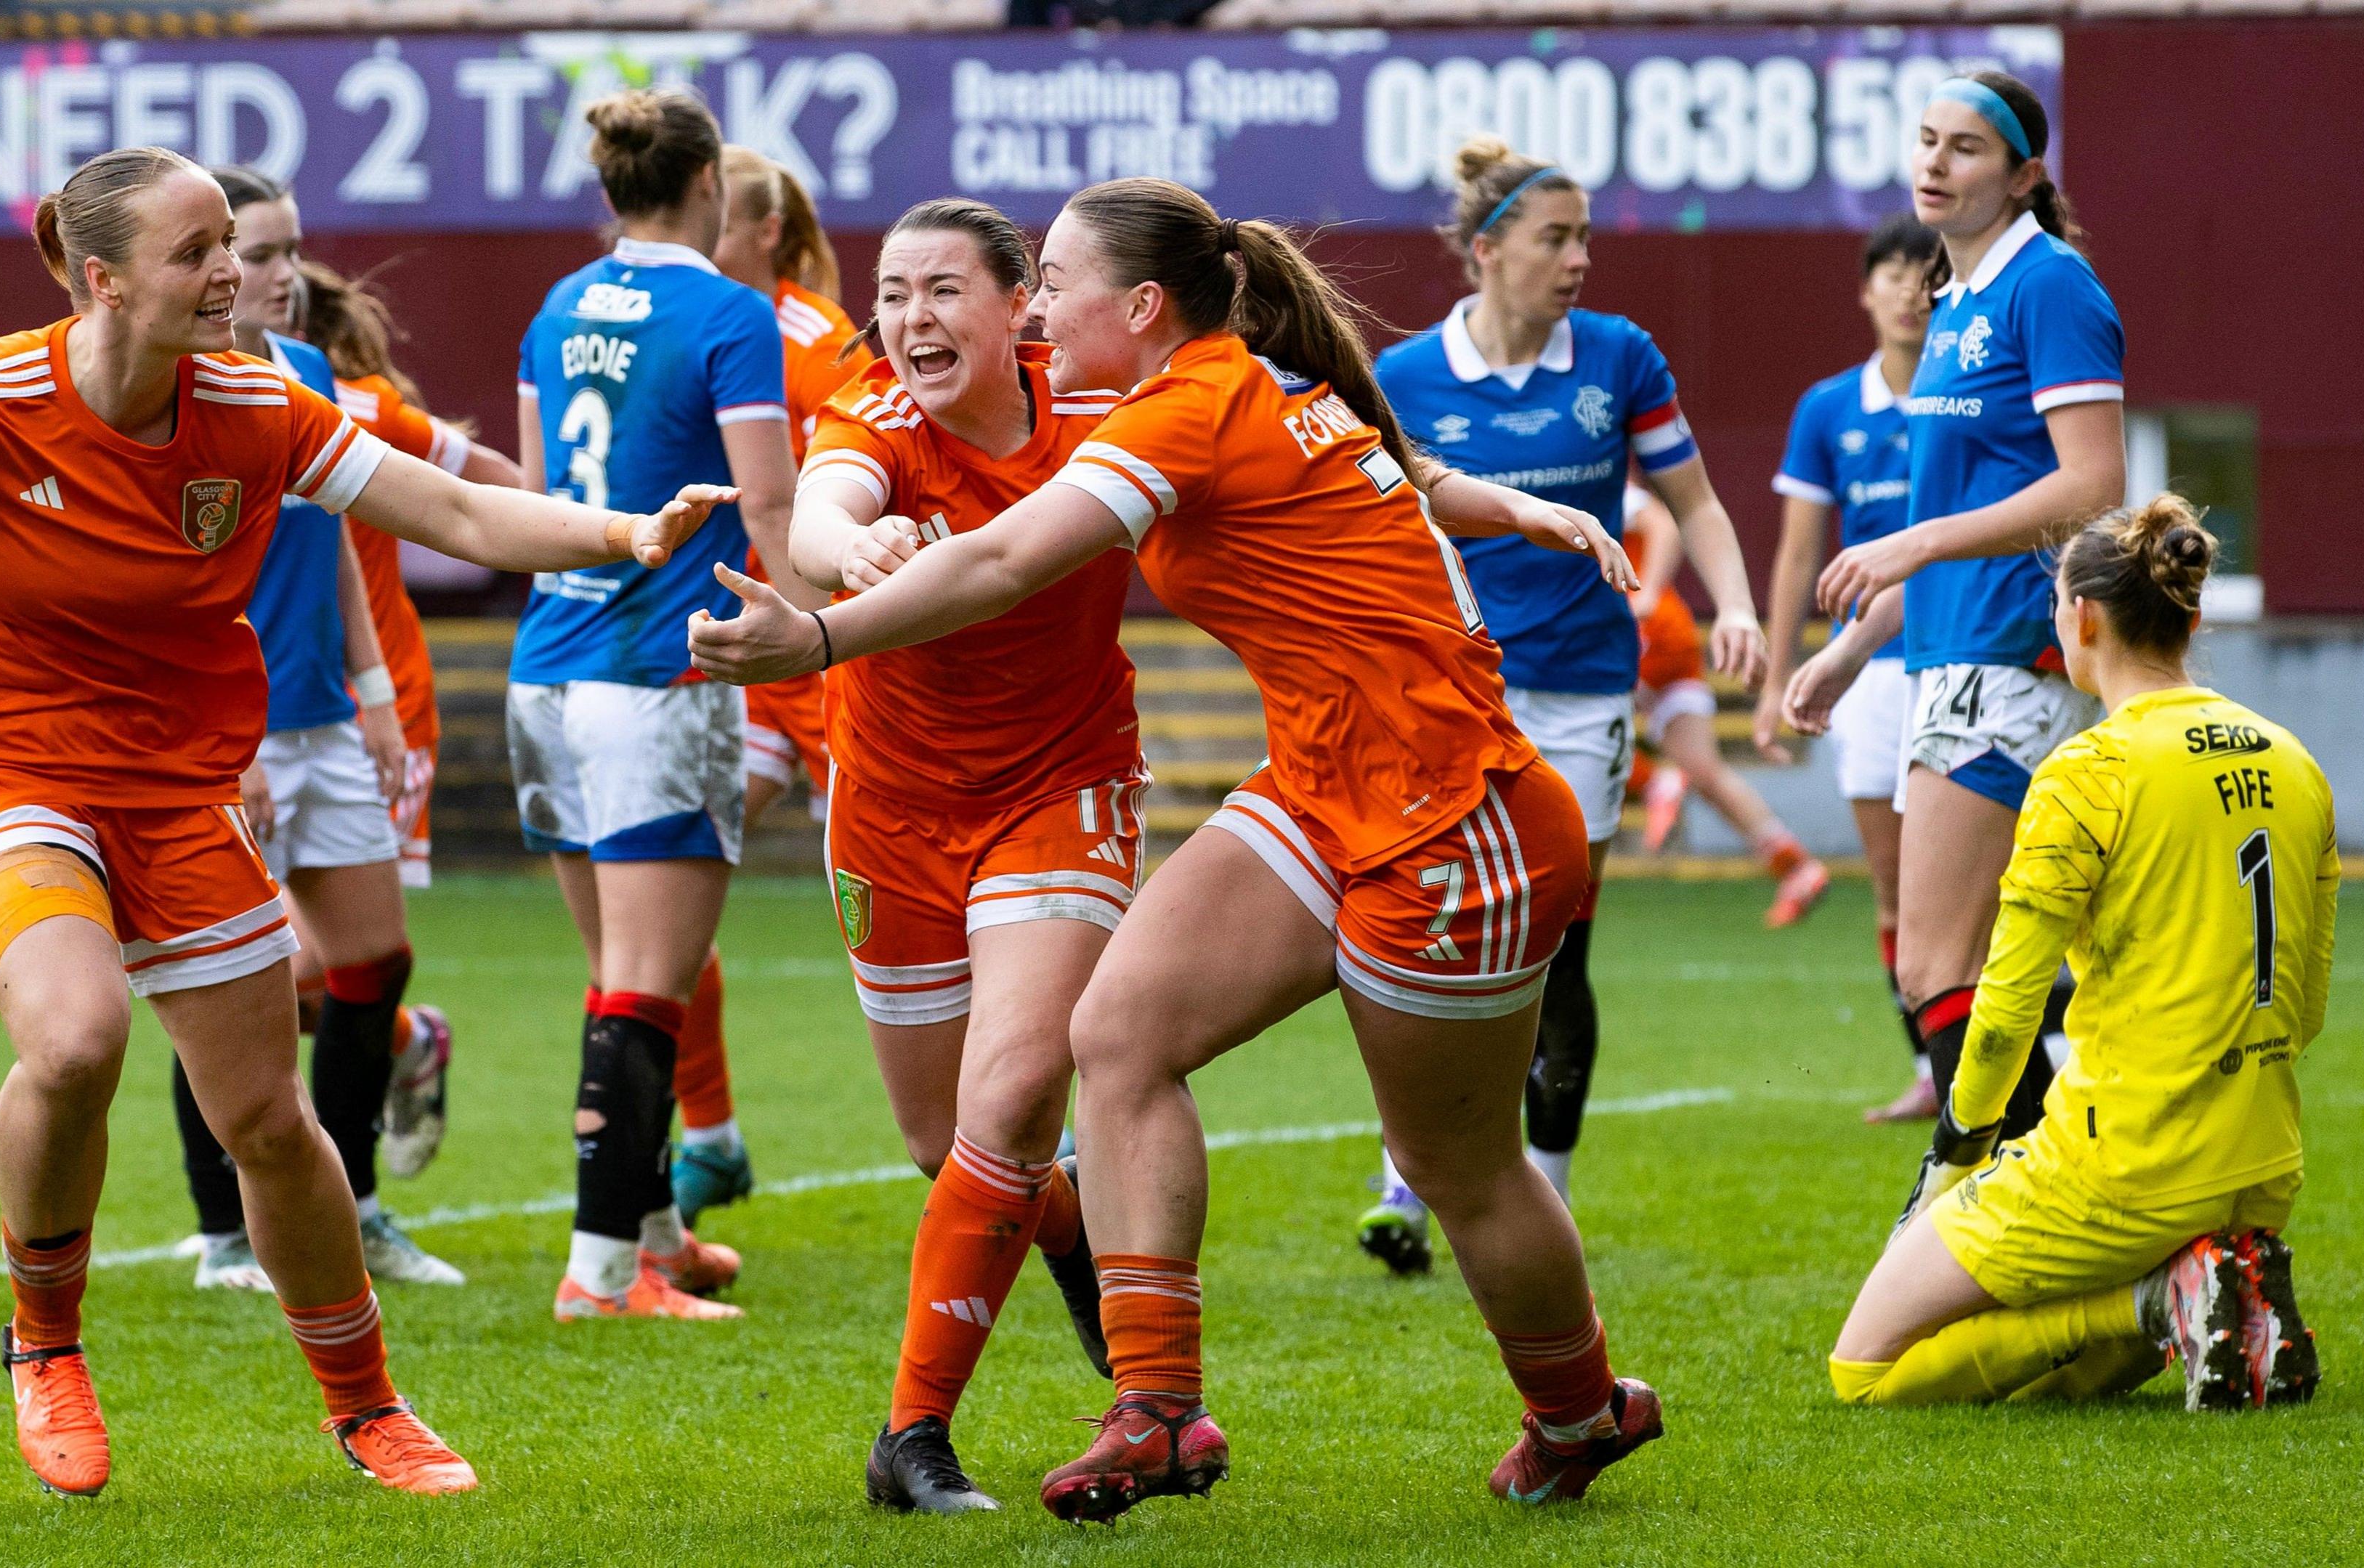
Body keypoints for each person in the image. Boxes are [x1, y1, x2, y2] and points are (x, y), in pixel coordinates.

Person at [0, 146, 729, 1495]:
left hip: (178, 782)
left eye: (239, 252)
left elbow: (459, 506)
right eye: (202, 253)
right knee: (78, 1036)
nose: (243, 278)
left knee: (264, 1112)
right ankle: (46, 1339)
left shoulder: (257, 403)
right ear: (102, 279)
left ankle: (367, 1403)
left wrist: (626, 536)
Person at [692, 176, 1665, 1522]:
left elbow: (1005, 559)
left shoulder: (1188, 404)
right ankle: (1152, 1404)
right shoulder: (1208, 381)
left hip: (1454, 819)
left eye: (1052, 285)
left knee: (1457, 1166)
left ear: (1138, 307)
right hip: (1326, 789)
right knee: (1121, 1031)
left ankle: (1580, 1408)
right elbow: (1394, 479)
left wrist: (811, 637)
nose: (1033, 309)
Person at [1356, 134, 1768, 1269]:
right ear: (1487, 252)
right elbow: (1381, 537)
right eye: (1557, 236)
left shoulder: (1620, 358)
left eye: (1586, 235)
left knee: (1554, 950)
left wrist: (1734, 604)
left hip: (1588, 691)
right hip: (1452, 686)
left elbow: (1700, 500)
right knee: (1431, 929)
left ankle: (1546, 1195)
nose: (1580, 257)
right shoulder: (1407, 380)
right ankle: (1406, 1178)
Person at [780, 198, 1133, 1512]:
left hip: (1063, 783)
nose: (912, 320)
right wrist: (848, 548)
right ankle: (1087, 1238)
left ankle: (910, 1436)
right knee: (950, 1141)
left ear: (1019, 301)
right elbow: (823, 512)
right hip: (890, 805)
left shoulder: (1104, 406)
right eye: (892, 292)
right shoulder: (874, 414)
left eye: (942, 292)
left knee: (1013, 1090)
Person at [1829, 496, 2333, 1410]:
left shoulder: (2086, 771)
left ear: (2083, 617)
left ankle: (2155, 1292)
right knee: (2066, 1383)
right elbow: (2306, 1008)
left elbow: (2006, 1007)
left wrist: (1958, 1147)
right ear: (2188, 615)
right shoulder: (2294, 761)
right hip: (2263, 1160)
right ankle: (2197, 1285)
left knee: (1863, 1370)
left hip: (2126, 1165)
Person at [1784, 70, 2126, 1142]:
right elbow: (1951, 516)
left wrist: (1915, 542)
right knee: (1975, 962)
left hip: (2011, 653)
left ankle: (1992, 1196)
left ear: (2025, 174)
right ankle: (2031, 1190)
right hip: (1945, 650)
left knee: (1935, 962)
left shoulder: (2049, 285)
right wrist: (1853, 649)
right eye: (1926, 141)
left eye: (1965, 147)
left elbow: (2093, 485)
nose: (1934, 163)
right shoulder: (1957, 299)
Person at [512, 89, 803, 1321]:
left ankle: (654, 1228)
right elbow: (775, 514)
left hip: (546, 665)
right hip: (657, 671)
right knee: (647, 985)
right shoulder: (731, 313)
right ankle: (599, 1272)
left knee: (613, 969)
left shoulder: (558, 307)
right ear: (706, 190)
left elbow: (535, 499)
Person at [163, 167, 463, 1294]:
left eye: (287, 251)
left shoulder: (300, 372)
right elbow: (181, 587)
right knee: (232, 983)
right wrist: (230, 745)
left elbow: (333, 527)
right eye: (257, 251)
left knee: (371, 962)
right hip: (223, 732)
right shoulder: (161, 394)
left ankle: (361, 1202)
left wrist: (375, 680)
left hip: (327, 716)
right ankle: (226, 1234)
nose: (279, 275)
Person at [652, 147, 867, 1228]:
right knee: (664, 870)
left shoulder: (814, 343)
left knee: (916, 901)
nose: (701, 240)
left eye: (721, 223)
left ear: (766, 236)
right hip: (745, 654)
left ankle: (1037, 1127)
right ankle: (711, 1132)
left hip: (834, 653)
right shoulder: (690, 321)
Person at [304, 256, 533, 1179]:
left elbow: (496, 481)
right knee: (257, 968)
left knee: (300, 968)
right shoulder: (188, 407)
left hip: (372, 708)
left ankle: (326, 1196)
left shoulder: (358, 411)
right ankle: (406, 1043)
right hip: (254, 716)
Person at [1756, 215, 1940, 1123]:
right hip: (1861, 674)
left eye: (1926, 277)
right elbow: (1797, 556)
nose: (1910, 292)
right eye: (1893, 276)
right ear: (1866, 292)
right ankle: (1935, 1068)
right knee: (1898, 881)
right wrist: (1776, 669)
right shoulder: (1829, 407)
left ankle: (2038, 1054)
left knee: (1987, 876)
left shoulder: (1965, 393)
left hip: (1960, 659)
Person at [1622, 483, 1829, 925]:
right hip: (1665, 638)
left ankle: (1653, 783)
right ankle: (1796, 867)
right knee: (1704, 770)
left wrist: (1649, 591)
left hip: (1640, 632)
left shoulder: (1587, 481)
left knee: (1555, 718)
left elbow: (1661, 522)